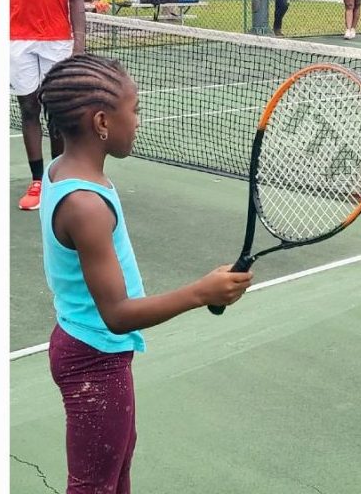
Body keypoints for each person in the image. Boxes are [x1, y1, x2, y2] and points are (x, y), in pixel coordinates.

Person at [38, 53, 254, 492]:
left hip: (92, 349)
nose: (137, 121)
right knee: (93, 484)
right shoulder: (85, 205)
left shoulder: (63, 168)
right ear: (101, 122)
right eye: (134, 111)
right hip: (93, 357)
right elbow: (117, 313)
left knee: (116, 468)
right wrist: (202, 292)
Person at [10, 0, 87, 211]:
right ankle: (38, 180)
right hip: (16, 41)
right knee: (28, 109)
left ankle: (58, 181)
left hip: (57, 41)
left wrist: (79, 43)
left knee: (56, 112)